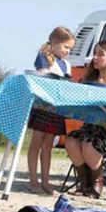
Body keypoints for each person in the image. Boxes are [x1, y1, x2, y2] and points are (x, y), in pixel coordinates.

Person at [65, 39, 106, 199]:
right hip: (89, 128)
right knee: (70, 140)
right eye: (94, 54)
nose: (94, 58)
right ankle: (83, 181)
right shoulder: (87, 79)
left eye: (100, 54)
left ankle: (97, 181)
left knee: (89, 143)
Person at [27, 26, 75, 196]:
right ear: (54, 43)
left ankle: (46, 182)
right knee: (36, 143)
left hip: (56, 109)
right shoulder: (44, 57)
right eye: (66, 47)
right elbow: (42, 78)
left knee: (48, 145)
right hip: (43, 107)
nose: (68, 51)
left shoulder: (66, 65)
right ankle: (33, 180)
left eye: (70, 48)